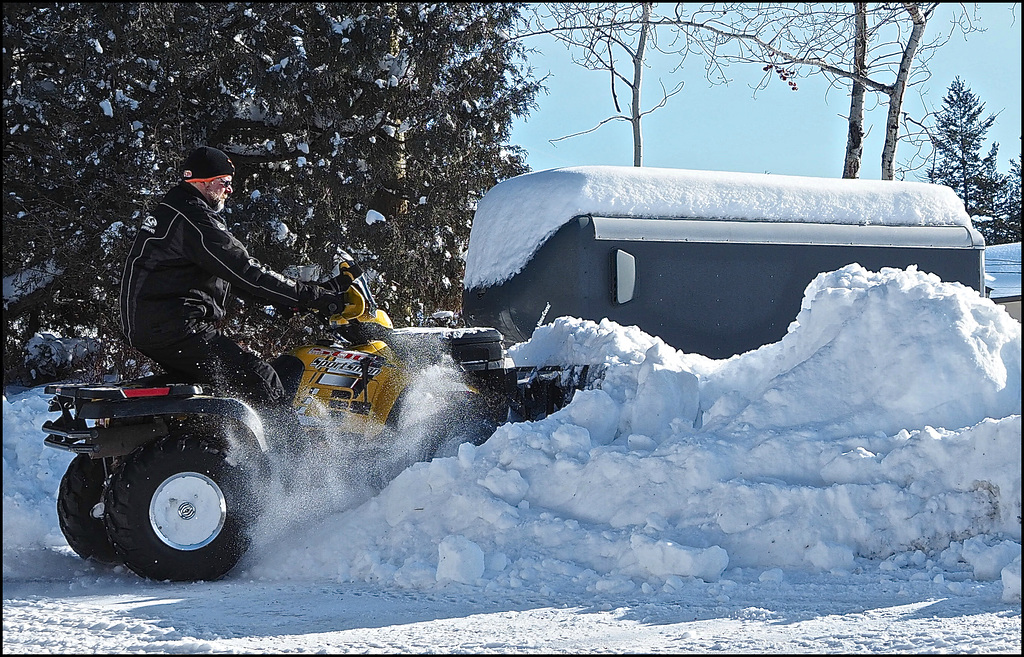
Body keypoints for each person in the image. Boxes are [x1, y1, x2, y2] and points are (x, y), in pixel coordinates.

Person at [119, 145, 353, 439]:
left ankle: (222, 448)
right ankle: (291, 465)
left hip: (158, 326)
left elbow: (226, 275)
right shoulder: (195, 219)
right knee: (260, 378)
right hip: (174, 327)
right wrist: (313, 296)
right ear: (201, 182)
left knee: (227, 386)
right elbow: (245, 269)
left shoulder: (176, 211)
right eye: (224, 182)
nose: (229, 190)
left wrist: (287, 301)